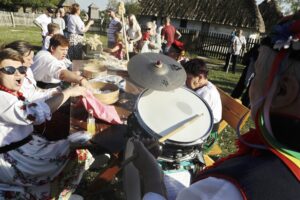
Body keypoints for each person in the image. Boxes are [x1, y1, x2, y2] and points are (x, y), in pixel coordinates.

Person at [132, 12, 300, 199]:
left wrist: (152, 176)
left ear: (282, 91)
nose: (250, 85)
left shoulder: (229, 189)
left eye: (256, 73)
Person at [0, 48, 94, 199]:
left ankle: (49, 191)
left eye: (22, 69)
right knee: (79, 151)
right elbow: (32, 114)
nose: (18, 73)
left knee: (78, 143)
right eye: (9, 70)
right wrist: (68, 92)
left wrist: (57, 93)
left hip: (26, 146)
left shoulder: (9, 91)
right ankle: (58, 194)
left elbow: (32, 99)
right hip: (17, 158)